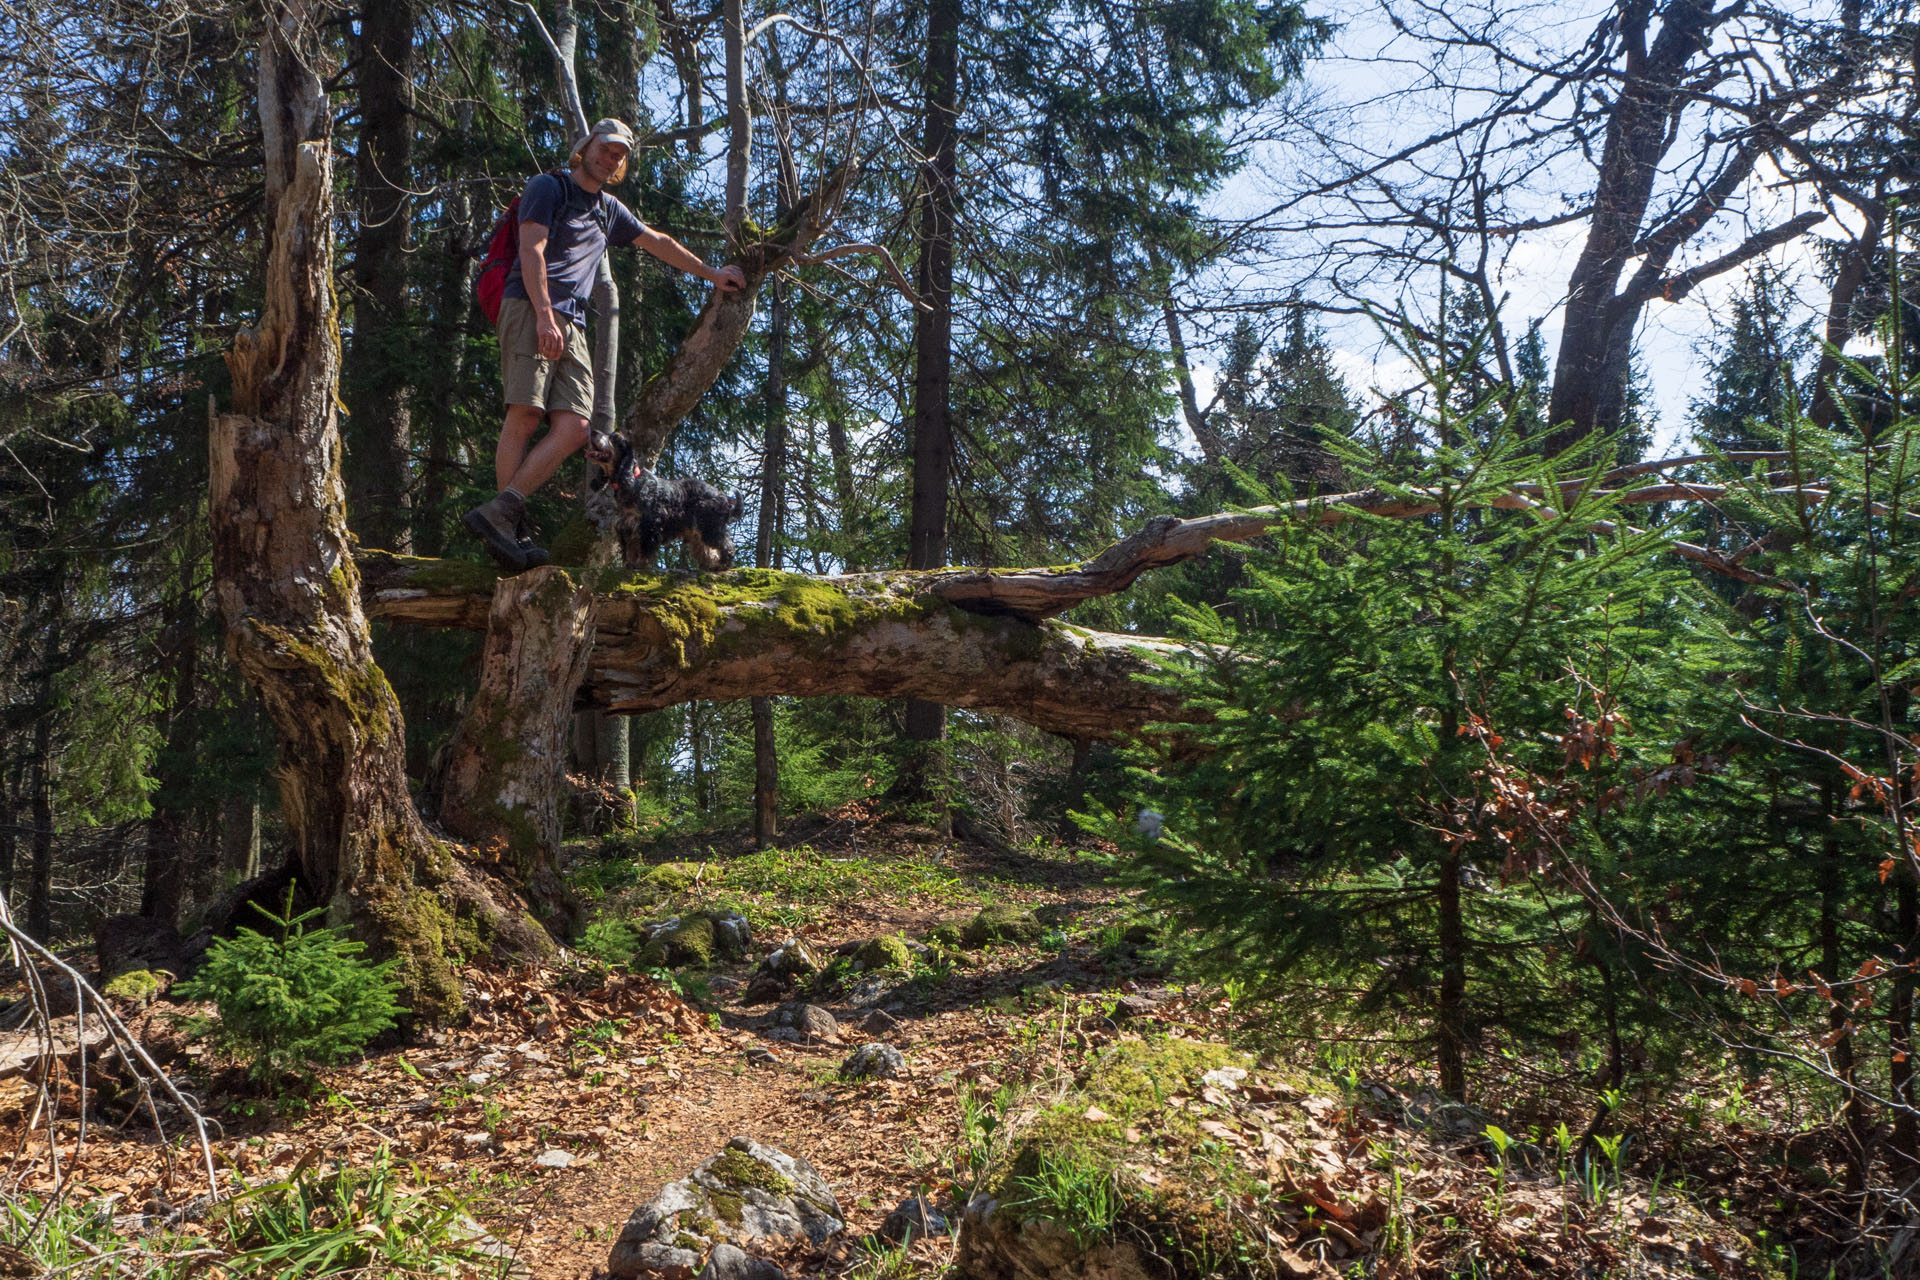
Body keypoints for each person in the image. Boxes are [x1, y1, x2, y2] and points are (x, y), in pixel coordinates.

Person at [464, 118, 747, 570]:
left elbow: (658, 241)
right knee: (526, 412)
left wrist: (713, 274)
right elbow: (531, 250)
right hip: (532, 305)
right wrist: (542, 314)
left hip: (572, 319)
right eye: (606, 148)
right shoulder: (548, 186)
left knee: (576, 428)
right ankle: (509, 526)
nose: (610, 158)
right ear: (587, 146)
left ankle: (504, 511)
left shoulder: (608, 209)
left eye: (619, 155)